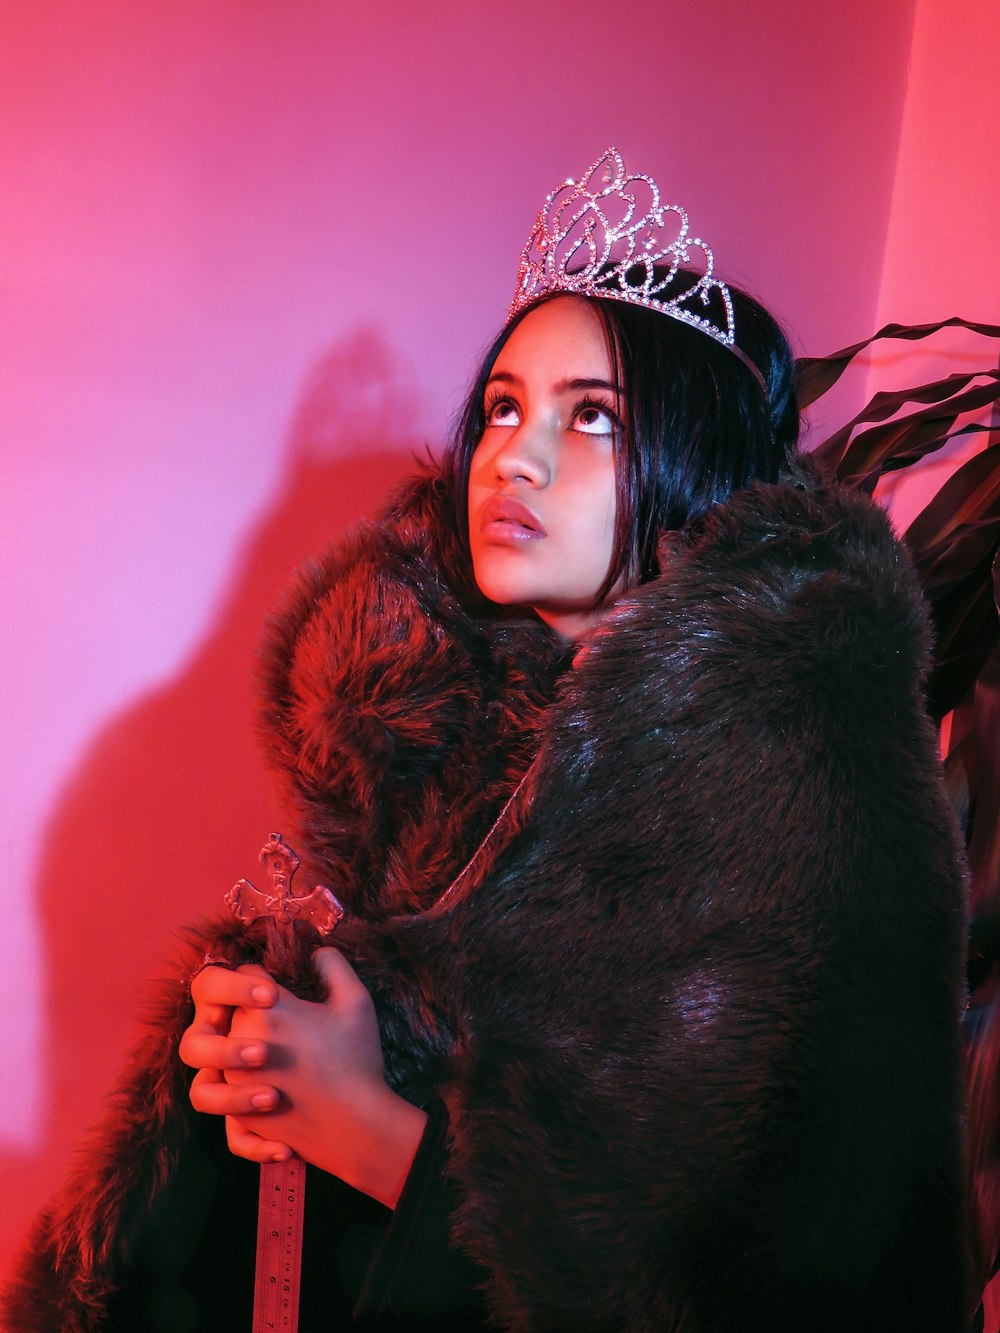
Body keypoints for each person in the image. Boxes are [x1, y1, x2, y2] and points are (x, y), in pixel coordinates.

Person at [3, 148, 971, 1332]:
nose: (514, 454)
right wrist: (260, 1054)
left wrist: (370, 1134)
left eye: (596, 418)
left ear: (702, 468)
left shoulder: (811, 808)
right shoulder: (443, 753)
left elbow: (773, 1286)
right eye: (504, 406)